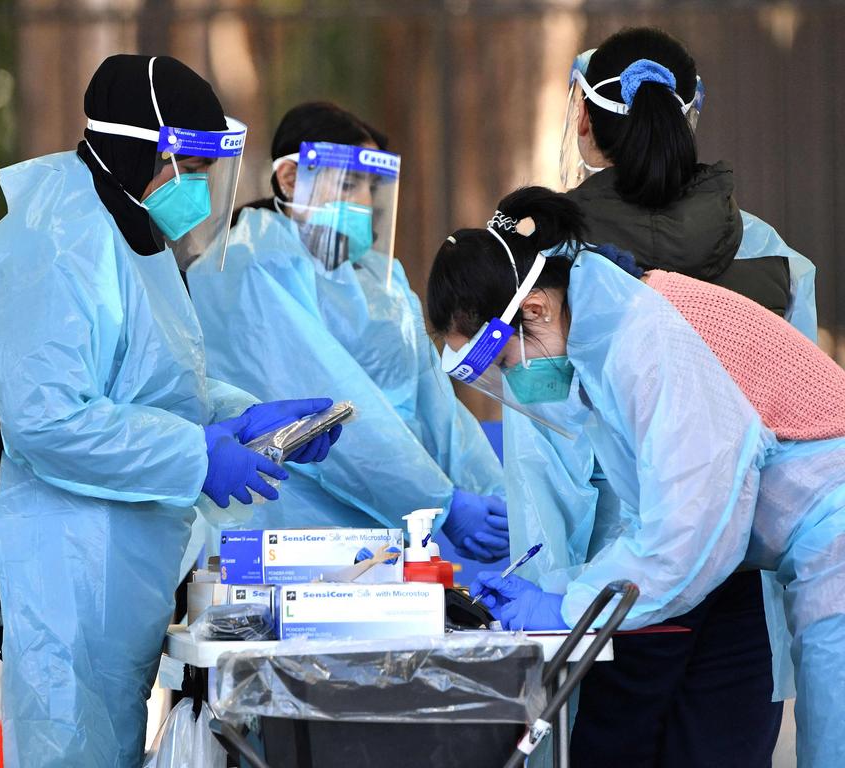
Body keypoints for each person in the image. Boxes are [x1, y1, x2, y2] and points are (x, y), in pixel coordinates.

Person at [0, 55, 342, 766]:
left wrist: (252, 418)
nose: (196, 188)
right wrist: (197, 453)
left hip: (110, 553)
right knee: (69, 748)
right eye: (187, 166)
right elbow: (47, 421)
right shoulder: (57, 236)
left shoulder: (130, 224)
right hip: (55, 552)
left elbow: (158, 385)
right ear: (141, 149)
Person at [428, 186, 845, 768]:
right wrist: (558, 587)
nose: (511, 384)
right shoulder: (611, 338)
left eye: (501, 363)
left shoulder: (647, 337)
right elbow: (660, 522)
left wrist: (567, 607)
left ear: (535, 311)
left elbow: (689, 538)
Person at [507, 27, 817, 766]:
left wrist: (552, 600)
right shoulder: (771, 253)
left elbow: (544, 454)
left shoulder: (547, 256)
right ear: (690, 116)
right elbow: (798, 419)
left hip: (617, 595)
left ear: (582, 117)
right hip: (744, 582)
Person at [187, 102, 508, 561]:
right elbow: (334, 407)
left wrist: (494, 495)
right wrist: (442, 502)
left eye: (371, 185)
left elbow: (436, 405)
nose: (364, 201)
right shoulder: (251, 265)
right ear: (291, 178)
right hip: (281, 535)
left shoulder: (379, 280)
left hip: (383, 535)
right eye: (350, 182)